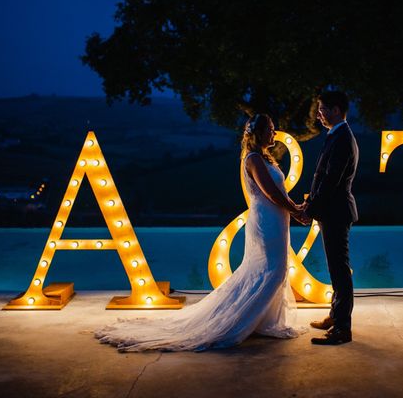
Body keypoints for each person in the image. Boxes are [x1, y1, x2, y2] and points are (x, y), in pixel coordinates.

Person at [95, 114, 306, 352]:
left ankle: (262, 322)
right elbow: (271, 193)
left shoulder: (265, 158)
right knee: (272, 272)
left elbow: (280, 191)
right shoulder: (254, 159)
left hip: (277, 220)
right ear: (257, 133)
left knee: (271, 271)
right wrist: (296, 211)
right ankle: (238, 323)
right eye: (269, 129)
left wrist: (295, 209)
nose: (274, 132)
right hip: (267, 222)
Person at [298, 90, 359, 345]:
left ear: (336, 110)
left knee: (340, 270)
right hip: (331, 211)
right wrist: (310, 205)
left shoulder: (343, 138)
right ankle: (336, 316)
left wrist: (309, 210)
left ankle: (343, 328)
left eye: (322, 108)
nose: (319, 114)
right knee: (337, 269)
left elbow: (330, 181)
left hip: (336, 212)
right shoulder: (337, 135)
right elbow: (323, 180)